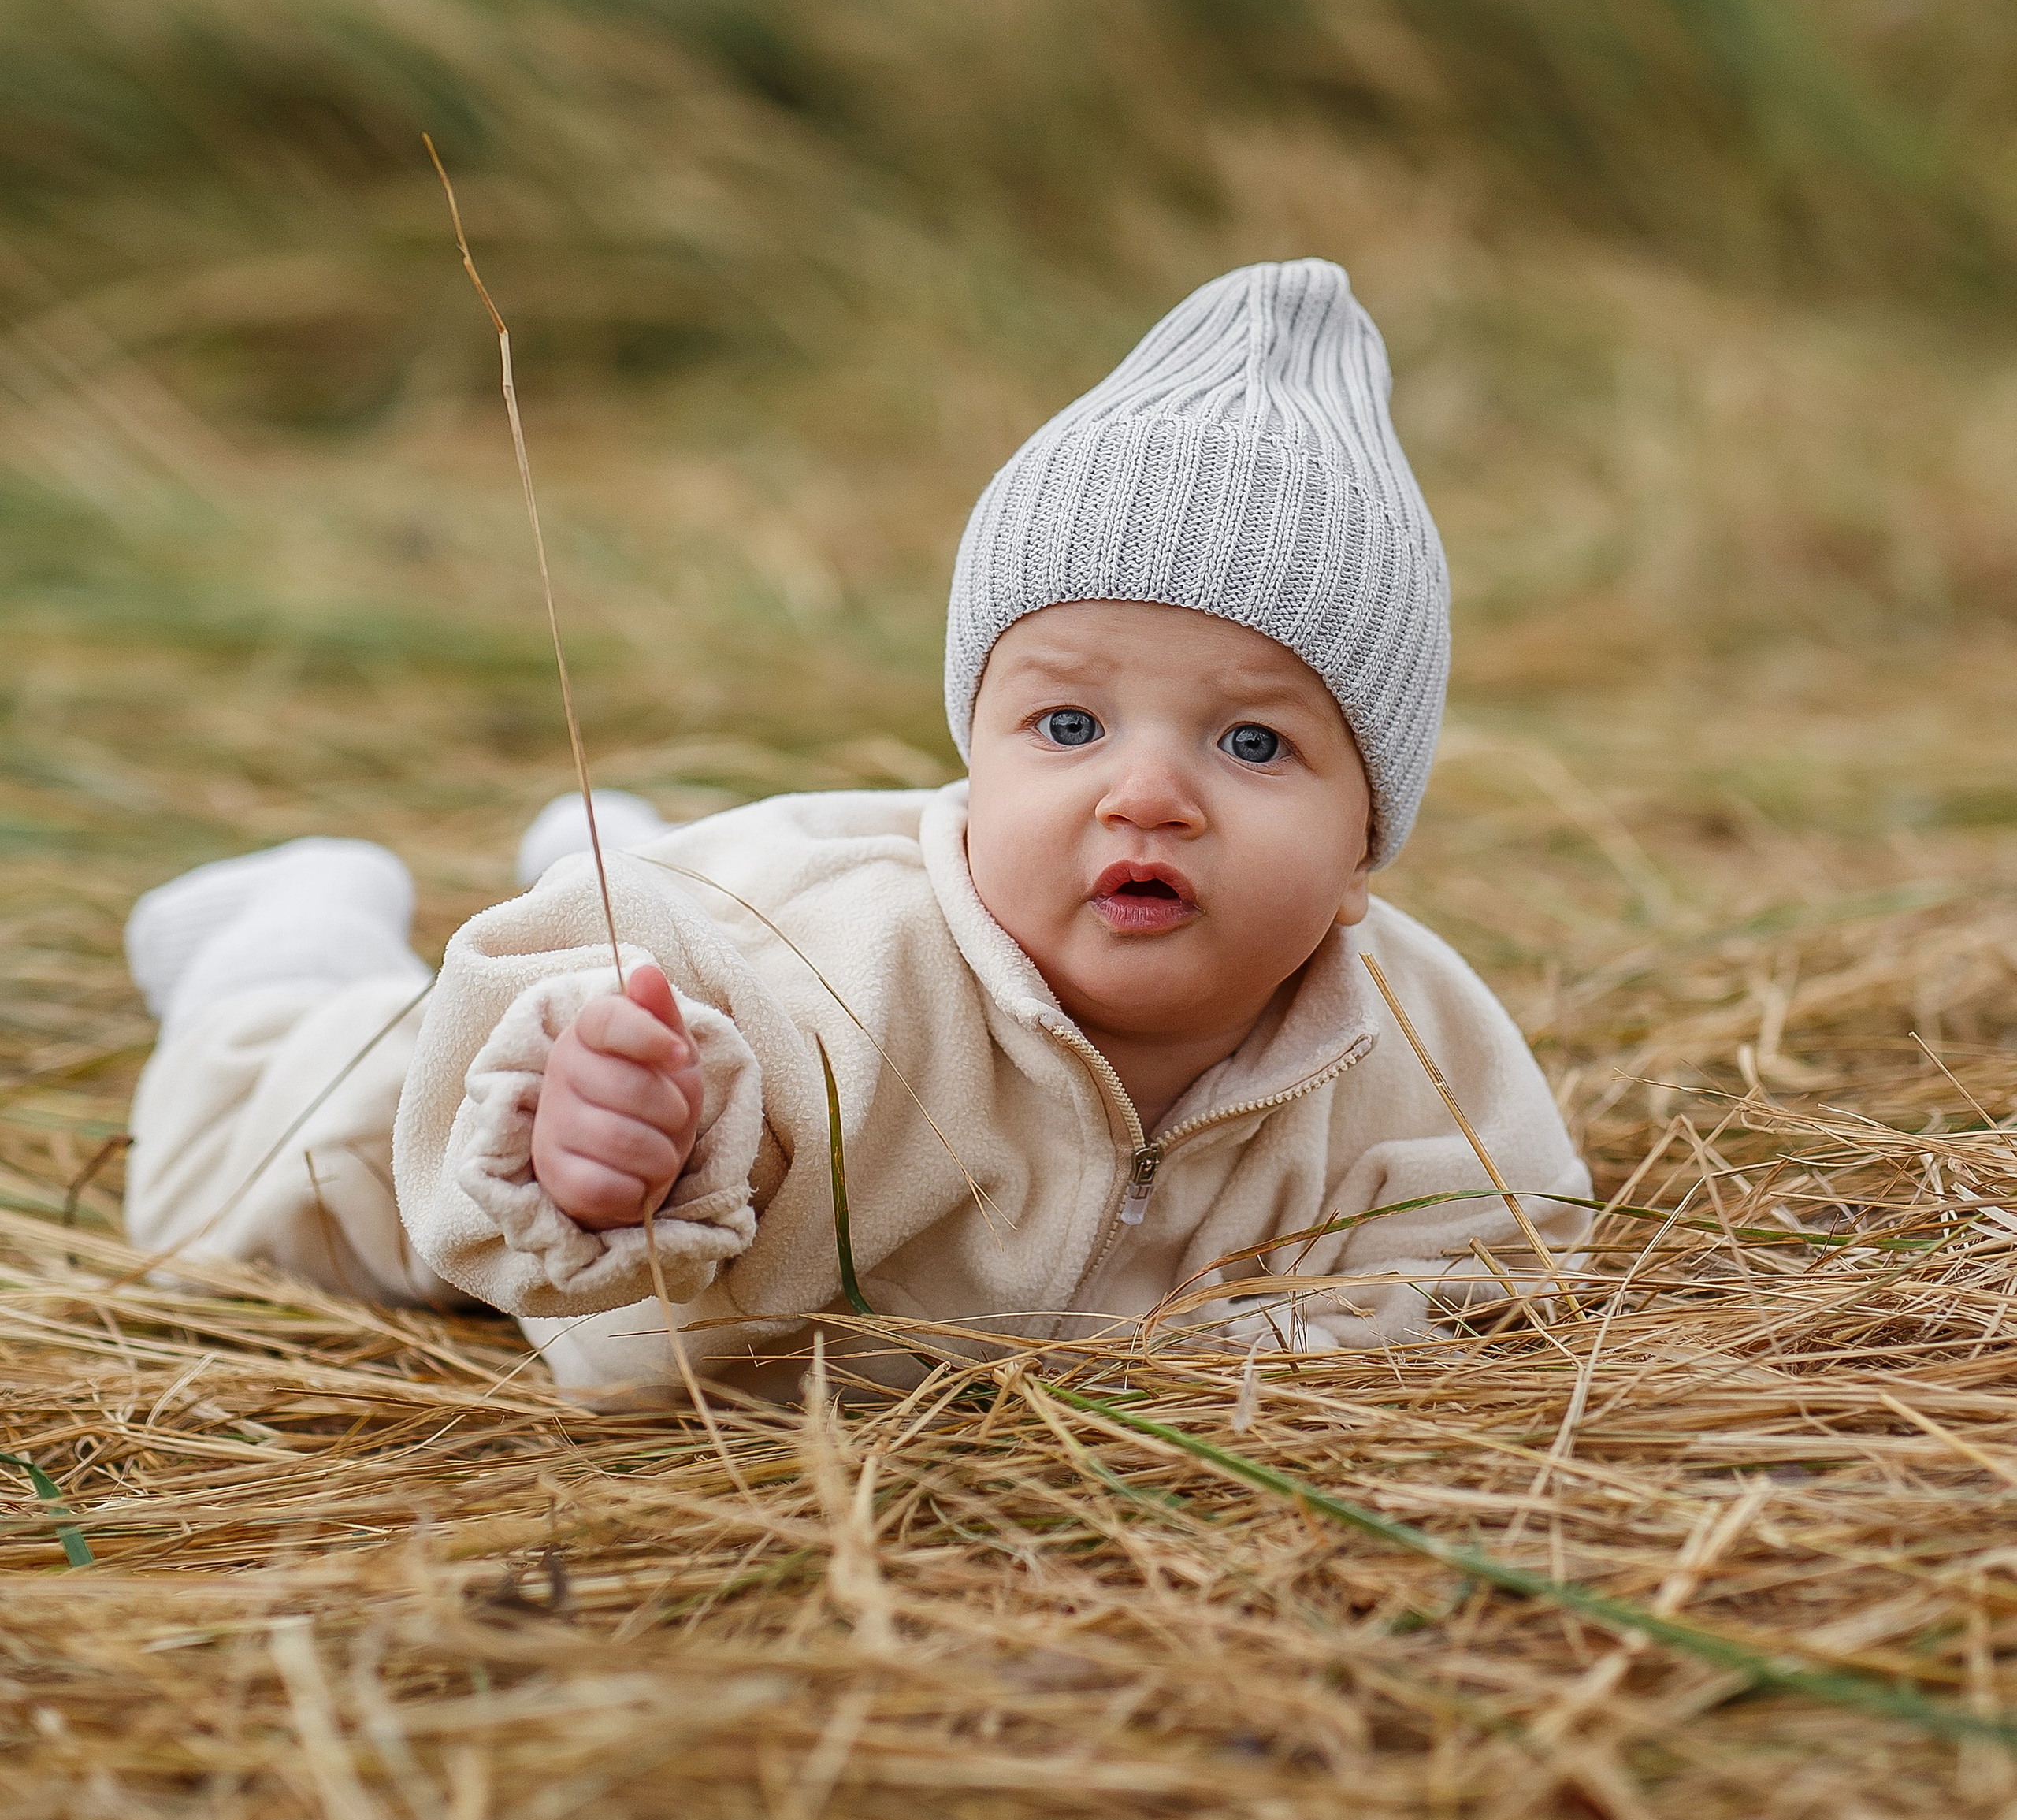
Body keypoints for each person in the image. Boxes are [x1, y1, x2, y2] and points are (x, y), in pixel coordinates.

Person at [122, 259, 1591, 1401]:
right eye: (1068, 725)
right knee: (283, 1181)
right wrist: (620, 1145)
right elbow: (691, 1068)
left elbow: (1487, 1256)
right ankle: (277, 942)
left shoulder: (1418, 1052)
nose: (1146, 793)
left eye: (1254, 741)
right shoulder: (838, 973)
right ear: (974, 753)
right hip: (586, 1096)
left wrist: (1264, 1362)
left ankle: (621, 843)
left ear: (1366, 843)